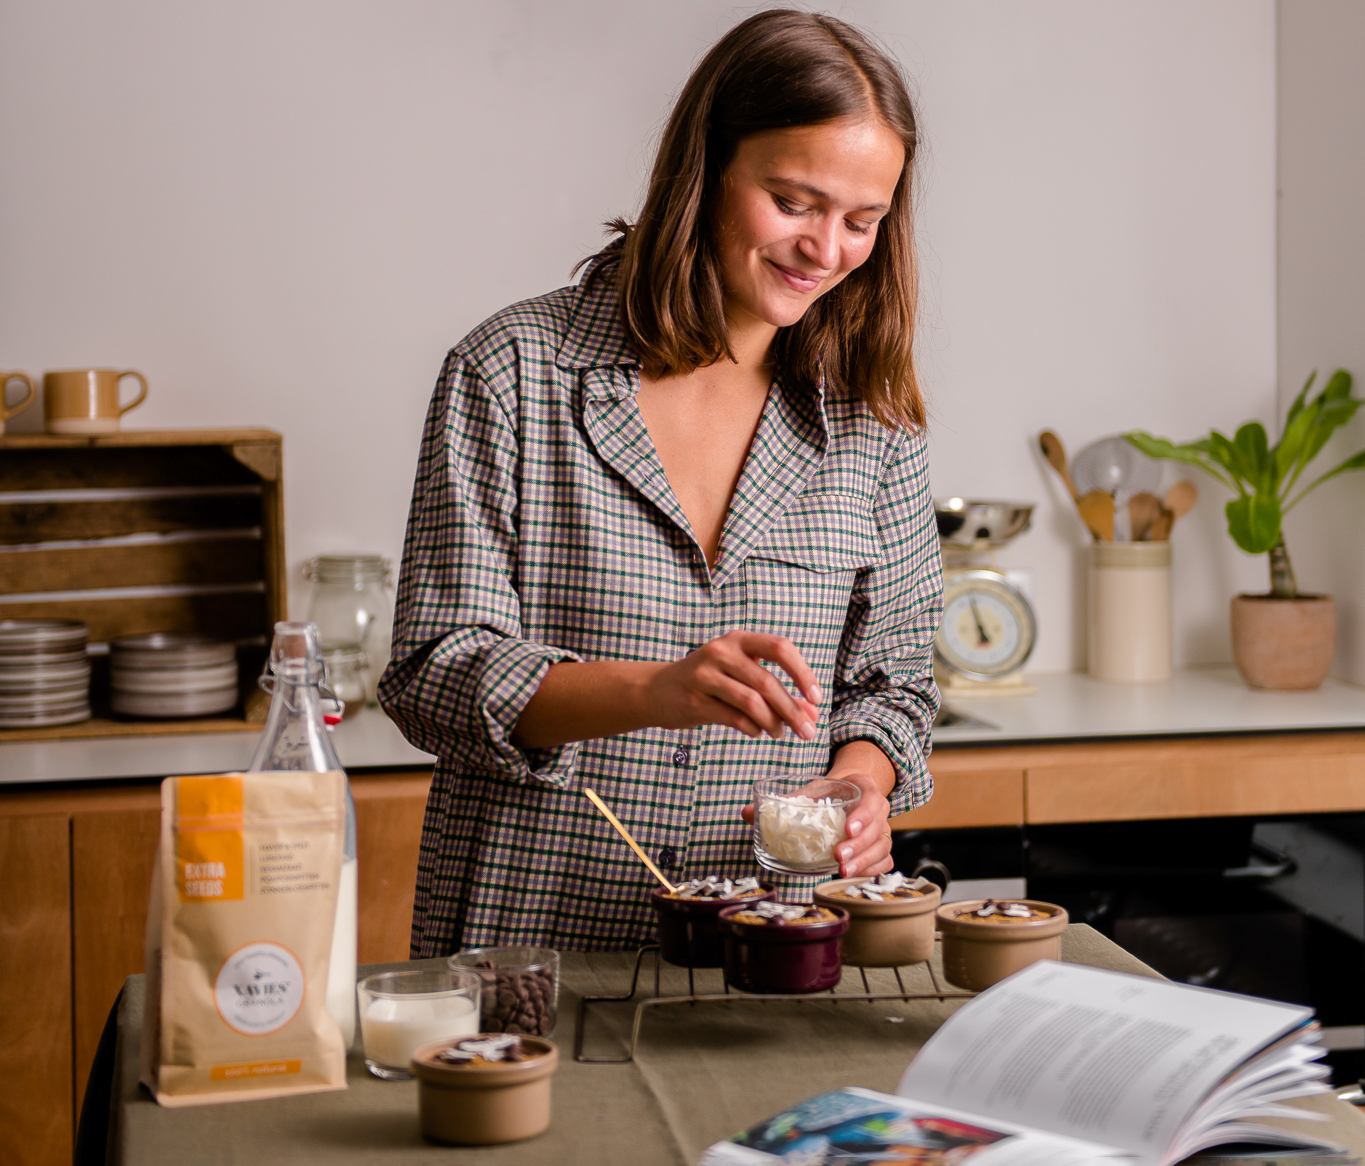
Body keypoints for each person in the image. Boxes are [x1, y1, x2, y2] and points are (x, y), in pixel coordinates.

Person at [379, 8, 943, 955]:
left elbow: (894, 688)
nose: (826, 249)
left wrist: (859, 785)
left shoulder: (870, 423)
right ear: (708, 169)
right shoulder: (515, 371)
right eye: (793, 202)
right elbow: (432, 671)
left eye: (862, 221)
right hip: (532, 938)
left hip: (772, 945)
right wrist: (652, 692)